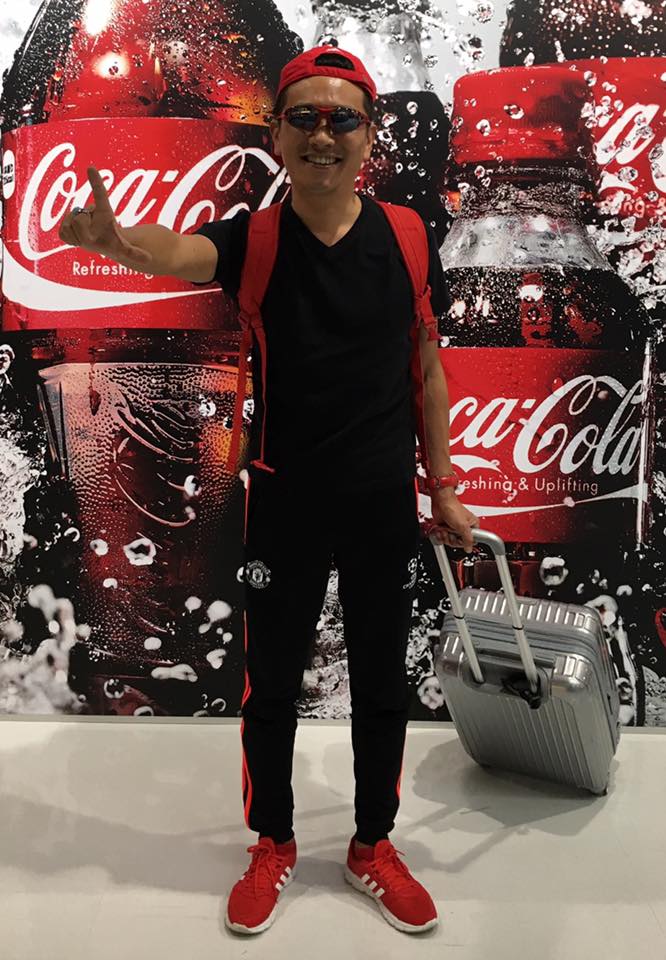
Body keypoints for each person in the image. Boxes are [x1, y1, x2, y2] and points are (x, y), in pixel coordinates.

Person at [58, 45, 478, 936]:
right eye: (304, 118)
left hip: (380, 501)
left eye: (342, 118)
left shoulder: (408, 236)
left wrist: (443, 487)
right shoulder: (254, 238)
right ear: (278, 133)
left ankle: (372, 845)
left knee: (382, 685)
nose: (324, 135)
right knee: (273, 686)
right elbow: (179, 251)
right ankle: (274, 842)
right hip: (284, 499)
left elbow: (428, 368)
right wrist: (117, 243)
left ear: (370, 133)